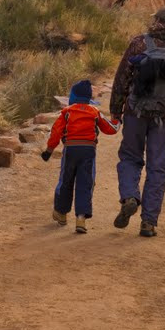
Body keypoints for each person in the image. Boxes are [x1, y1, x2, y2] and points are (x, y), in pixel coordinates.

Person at [110, 6, 165, 238]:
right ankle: (148, 222)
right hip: (164, 119)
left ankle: (129, 196)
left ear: (157, 20)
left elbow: (122, 79)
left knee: (129, 158)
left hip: (135, 114)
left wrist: (116, 110)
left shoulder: (138, 43)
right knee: (158, 168)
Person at [41, 79, 120, 234]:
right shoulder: (94, 112)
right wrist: (117, 120)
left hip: (70, 150)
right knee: (86, 183)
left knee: (65, 181)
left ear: (73, 96)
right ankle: (81, 219)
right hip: (88, 151)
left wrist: (49, 151)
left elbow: (56, 133)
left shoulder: (66, 112)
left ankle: (61, 213)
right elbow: (110, 128)